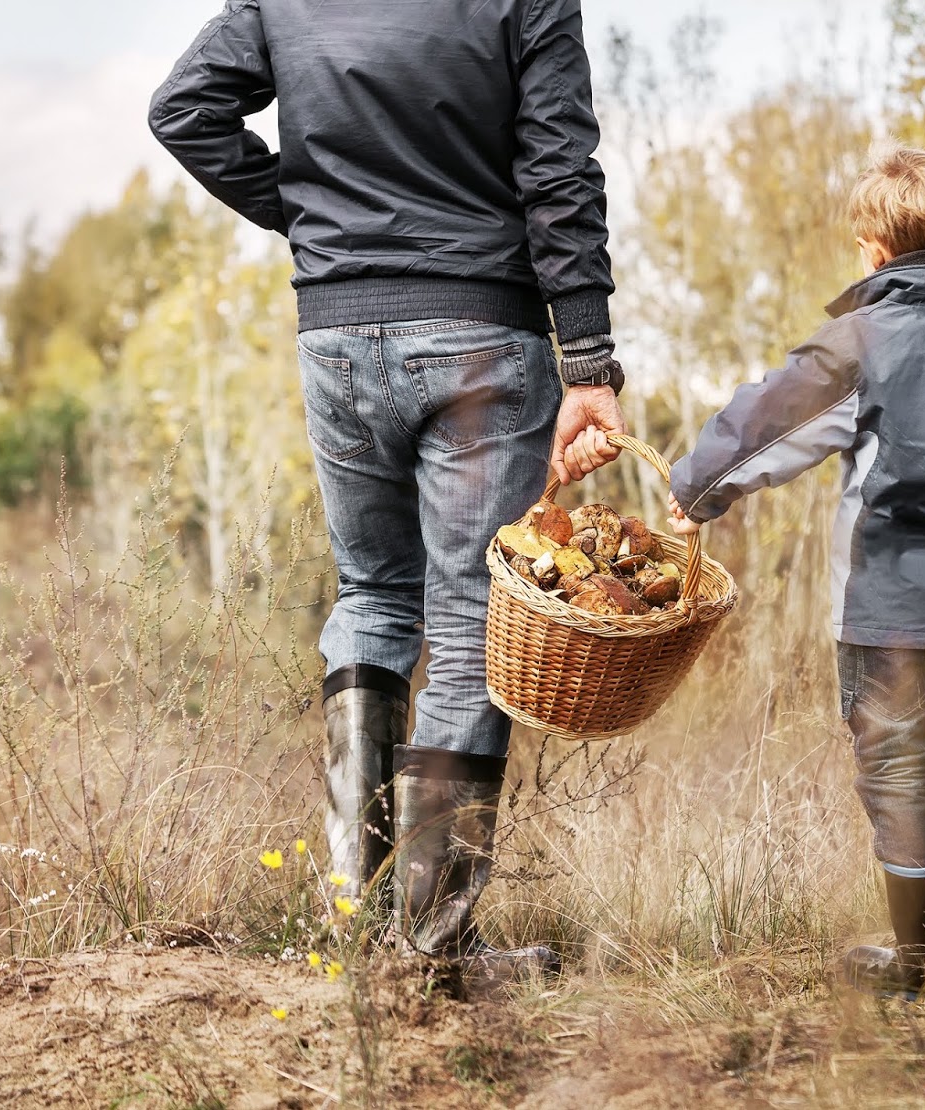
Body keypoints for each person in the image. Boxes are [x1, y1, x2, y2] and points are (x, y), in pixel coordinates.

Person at [149, 0, 626, 983]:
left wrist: (321, 220)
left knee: (370, 597)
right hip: (477, 335)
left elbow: (184, 110)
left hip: (335, 330)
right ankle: (433, 949)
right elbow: (557, 165)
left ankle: (360, 926)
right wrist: (587, 355)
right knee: (464, 625)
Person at [666, 145, 925, 1003]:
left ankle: (919, 957)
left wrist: (697, 488)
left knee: (894, 770)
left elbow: (766, 424)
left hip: (883, 610)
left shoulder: (862, 340)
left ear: (876, 252)